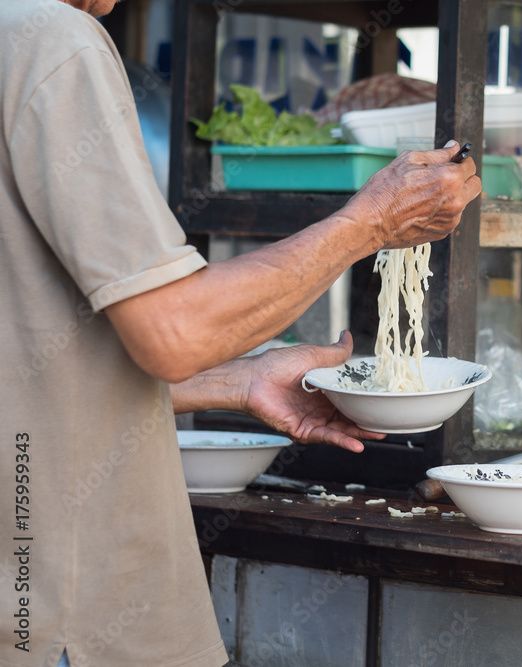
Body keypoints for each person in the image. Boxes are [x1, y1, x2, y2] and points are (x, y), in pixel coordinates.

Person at [0, 0, 482, 665]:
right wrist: (370, 224)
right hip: (58, 620)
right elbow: (173, 330)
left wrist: (239, 378)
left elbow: (32, 358)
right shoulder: (50, 37)